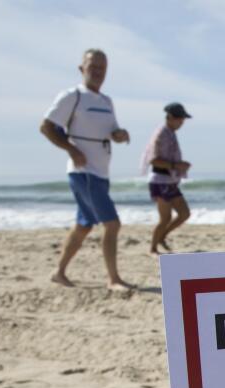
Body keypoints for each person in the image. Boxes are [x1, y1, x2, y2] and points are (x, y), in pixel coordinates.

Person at [39, 48, 133, 291]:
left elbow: (111, 131)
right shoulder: (73, 96)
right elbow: (46, 127)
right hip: (84, 172)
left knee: (84, 225)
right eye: (93, 67)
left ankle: (59, 272)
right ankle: (113, 279)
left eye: (103, 68)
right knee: (112, 224)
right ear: (82, 69)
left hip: (101, 172)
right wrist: (71, 149)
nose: (99, 72)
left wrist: (120, 135)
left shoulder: (106, 101)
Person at [142, 102, 193, 254]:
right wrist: (176, 165)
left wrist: (178, 165)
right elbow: (154, 160)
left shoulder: (170, 133)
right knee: (165, 218)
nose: (182, 123)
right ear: (171, 117)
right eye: (180, 120)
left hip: (169, 181)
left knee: (184, 213)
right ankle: (153, 247)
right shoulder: (161, 134)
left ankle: (162, 236)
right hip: (160, 180)